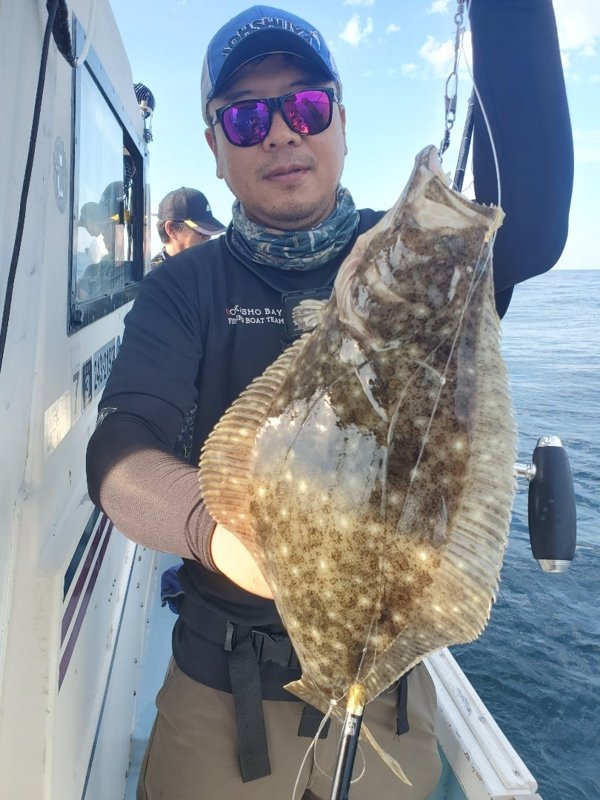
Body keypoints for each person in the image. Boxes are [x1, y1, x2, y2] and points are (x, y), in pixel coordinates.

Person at [86, 3, 573, 799]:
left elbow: (536, 228)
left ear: (341, 123)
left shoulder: (420, 262)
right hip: (221, 682)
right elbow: (119, 454)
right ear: (215, 148)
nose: (281, 132)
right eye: (246, 118)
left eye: (307, 106)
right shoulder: (184, 288)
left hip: (387, 697)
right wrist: (223, 540)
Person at [151, 186, 226, 269]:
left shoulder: (212, 268)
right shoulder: (150, 275)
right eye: (201, 231)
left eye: (209, 232)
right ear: (171, 229)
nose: (208, 237)